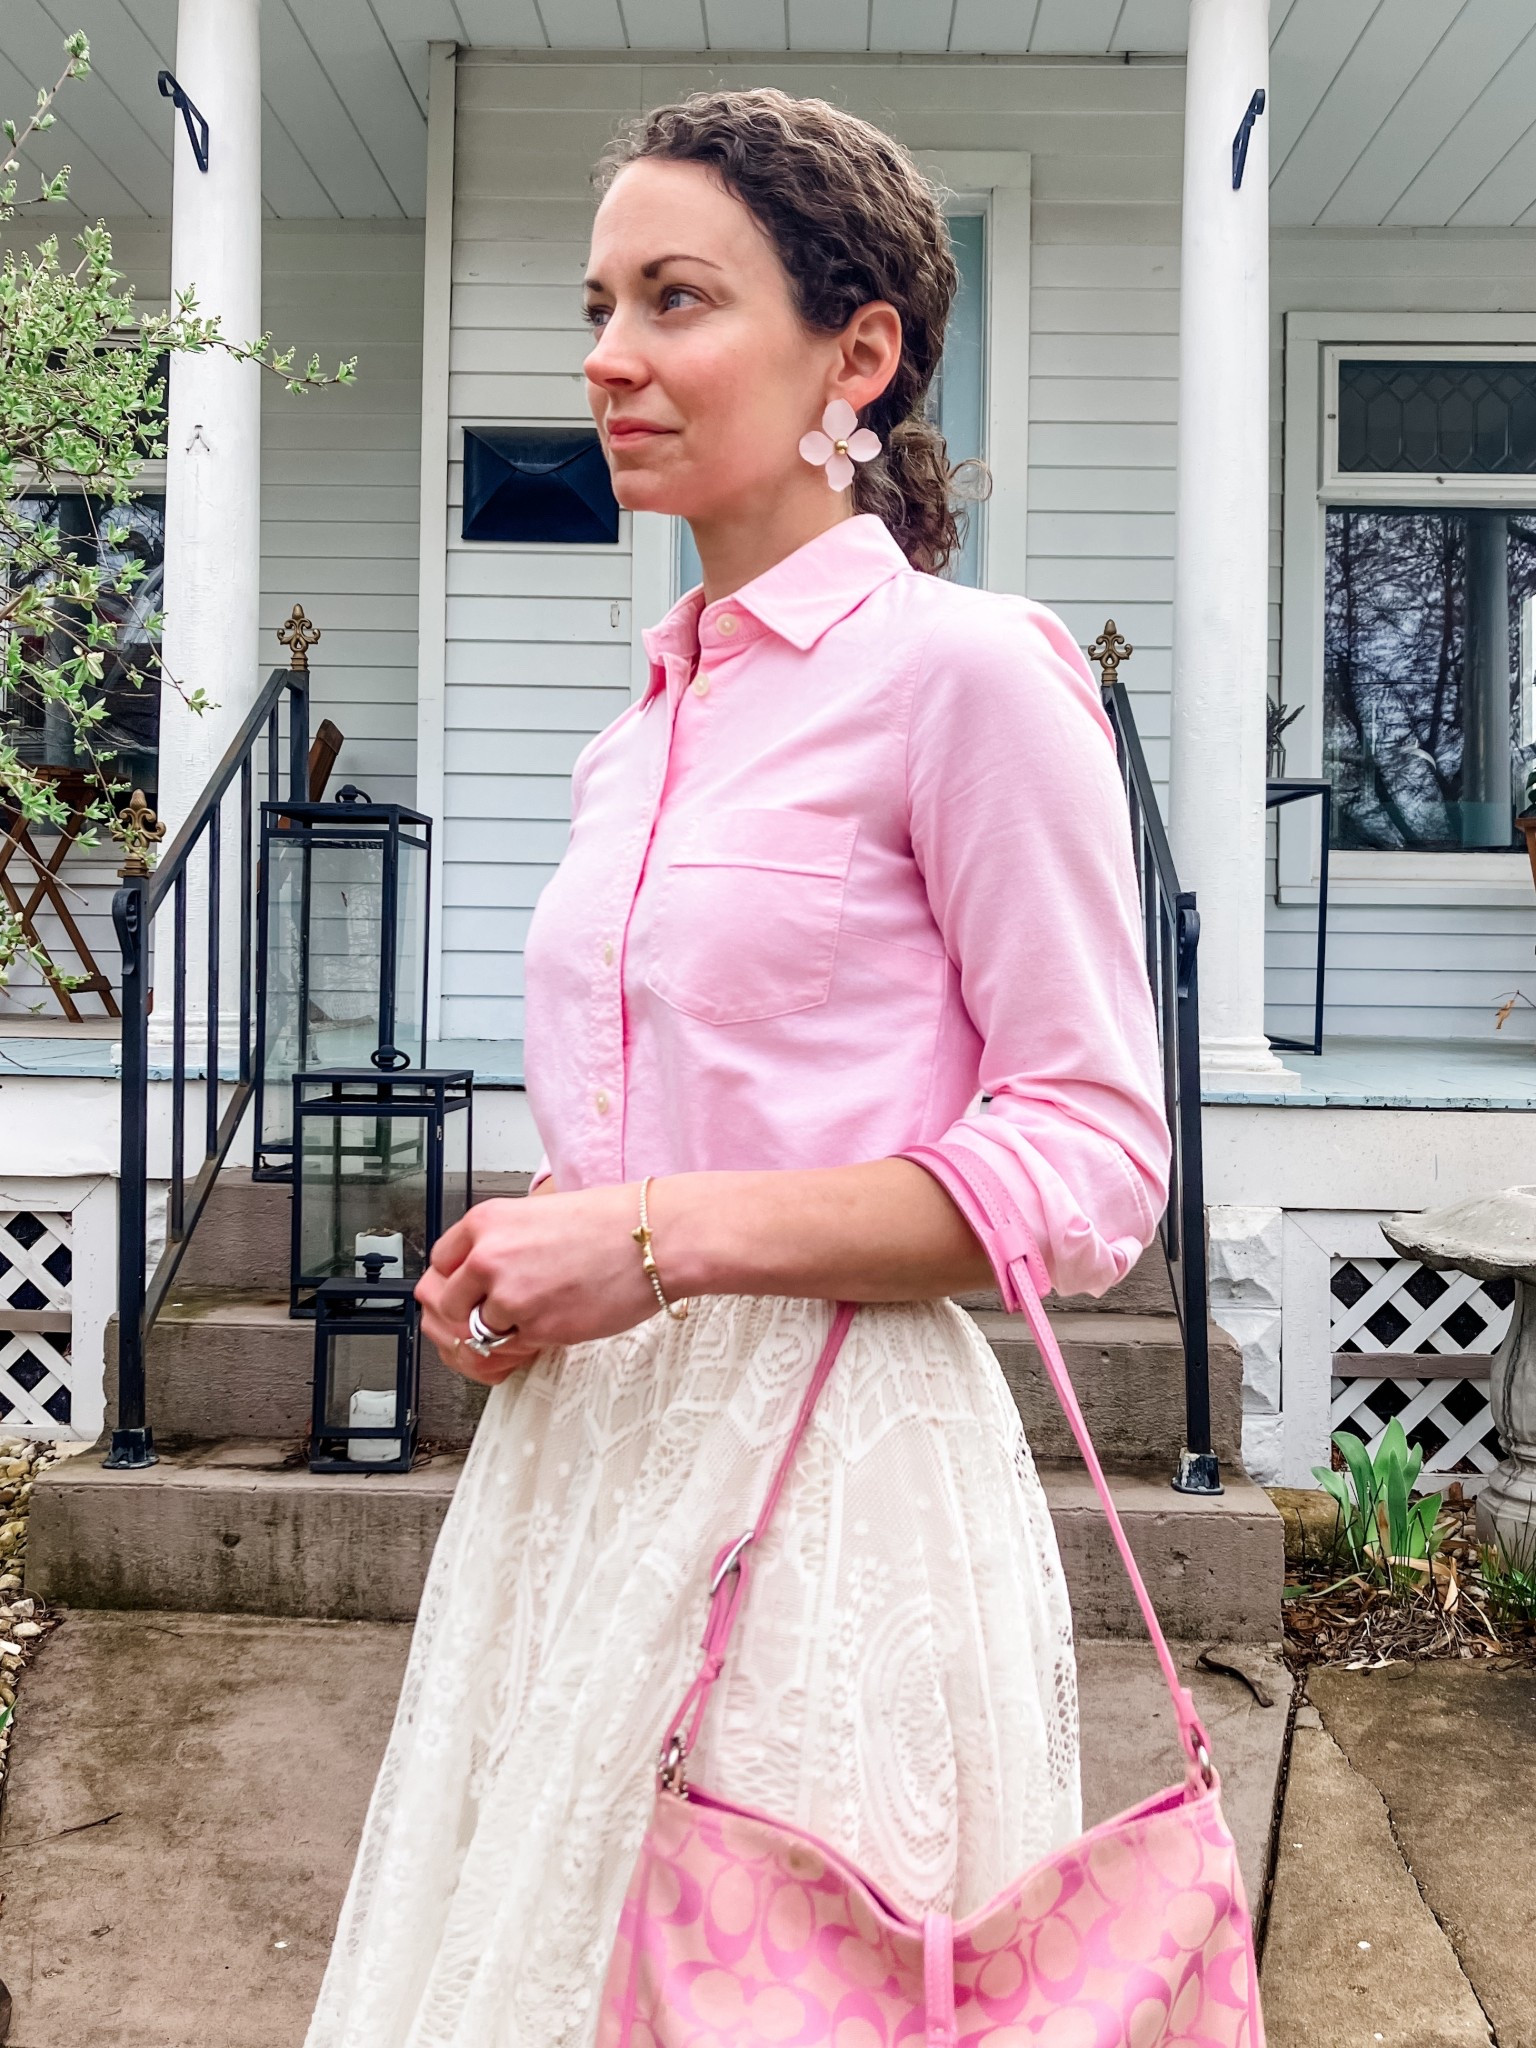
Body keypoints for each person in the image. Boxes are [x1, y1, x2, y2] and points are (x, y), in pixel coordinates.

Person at [304, 86, 1170, 2048]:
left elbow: (1100, 1157)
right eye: (600, 304)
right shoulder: (636, 735)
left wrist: (663, 1238)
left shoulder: (969, 672)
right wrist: (533, 1253)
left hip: (841, 1491)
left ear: (855, 352)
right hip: (581, 1487)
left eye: (678, 299)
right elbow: (661, 1140)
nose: (612, 356)